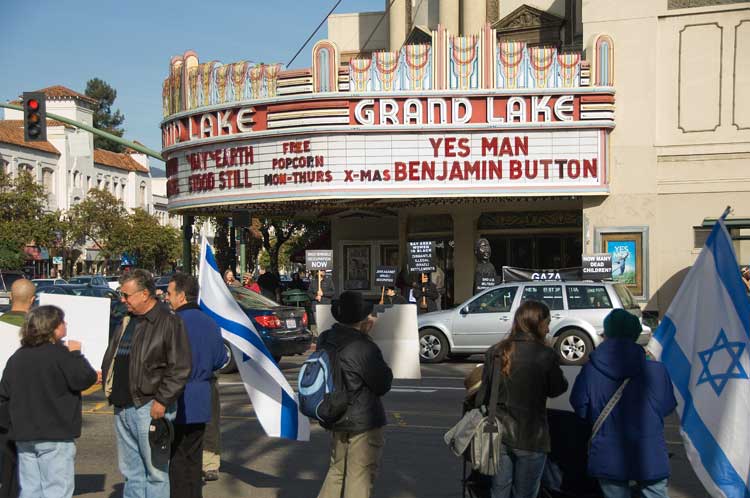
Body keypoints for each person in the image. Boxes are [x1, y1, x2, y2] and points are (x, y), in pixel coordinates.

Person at [101, 269, 192, 498]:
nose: (123, 300)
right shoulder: (127, 320)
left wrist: (161, 401)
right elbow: (116, 356)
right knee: (132, 472)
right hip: (122, 406)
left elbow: (179, 367)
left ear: (144, 294)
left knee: (155, 472)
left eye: (126, 295)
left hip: (148, 407)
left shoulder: (168, 322)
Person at [570, 309, 677, 498]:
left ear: (607, 333)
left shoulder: (590, 370)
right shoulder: (657, 370)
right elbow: (667, 407)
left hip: (607, 454)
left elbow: (580, 407)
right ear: (635, 334)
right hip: (649, 454)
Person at [0, 305, 97, 498]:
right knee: (57, 489)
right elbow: (85, 378)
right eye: (62, 321)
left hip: (25, 434)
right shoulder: (62, 355)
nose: (65, 324)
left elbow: (4, 393)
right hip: (55, 434)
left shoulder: (18, 357)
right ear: (53, 327)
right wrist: (76, 353)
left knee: (30, 489)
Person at [474, 300, 568, 498]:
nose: (549, 327)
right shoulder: (545, 354)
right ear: (538, 324)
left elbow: (483, 395)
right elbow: (557, 389)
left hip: (498, 433)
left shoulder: (496, 351)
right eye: (547, 323)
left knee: (499, 490)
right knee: (525, 493)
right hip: (531, 435)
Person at [317, 291, 393, 498]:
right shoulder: (363, 347)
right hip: (362, 420)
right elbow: (383, 383)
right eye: (370, 314)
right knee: (359, 476)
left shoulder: (327, 338)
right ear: (363, 320)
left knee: (337, 471)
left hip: (336, 411)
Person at [165, 273, 227, 498]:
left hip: (177, 395)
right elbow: (220, 359)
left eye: (170, 293)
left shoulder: (172, 322)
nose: (167, 298)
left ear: (181, 296)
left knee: (176, 459)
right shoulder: (211, 323)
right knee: (193, 457)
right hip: (202, 396)